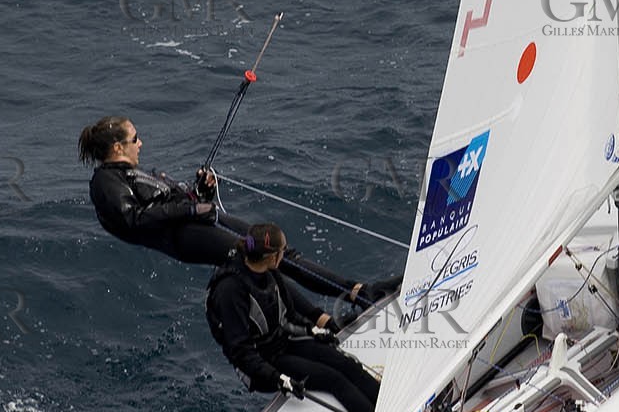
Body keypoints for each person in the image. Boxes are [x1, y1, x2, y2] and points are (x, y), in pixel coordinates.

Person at [77, 114, 396, 310]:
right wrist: (189, 206)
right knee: (264, 259)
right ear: (117, 147)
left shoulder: (131, 173)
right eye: (134, 139)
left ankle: (356, 292)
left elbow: (170, 203)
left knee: (279, 250)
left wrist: (202, 191)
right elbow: (133, 220)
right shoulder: (106, 182)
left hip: (198, 223)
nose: (141, 143)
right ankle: (338, 311)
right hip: (187, 237)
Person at [206, 223, 381, 412]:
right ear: (272, 256)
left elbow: (289, 315)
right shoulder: (230, 290)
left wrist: (312, 330)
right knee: (333, 379)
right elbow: (240, 352)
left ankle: (393, 410)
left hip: (282, 341)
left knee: (345, 363)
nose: (285, 253)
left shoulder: (270, 272)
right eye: (283, 250)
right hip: (261, 364)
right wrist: (277, 378)